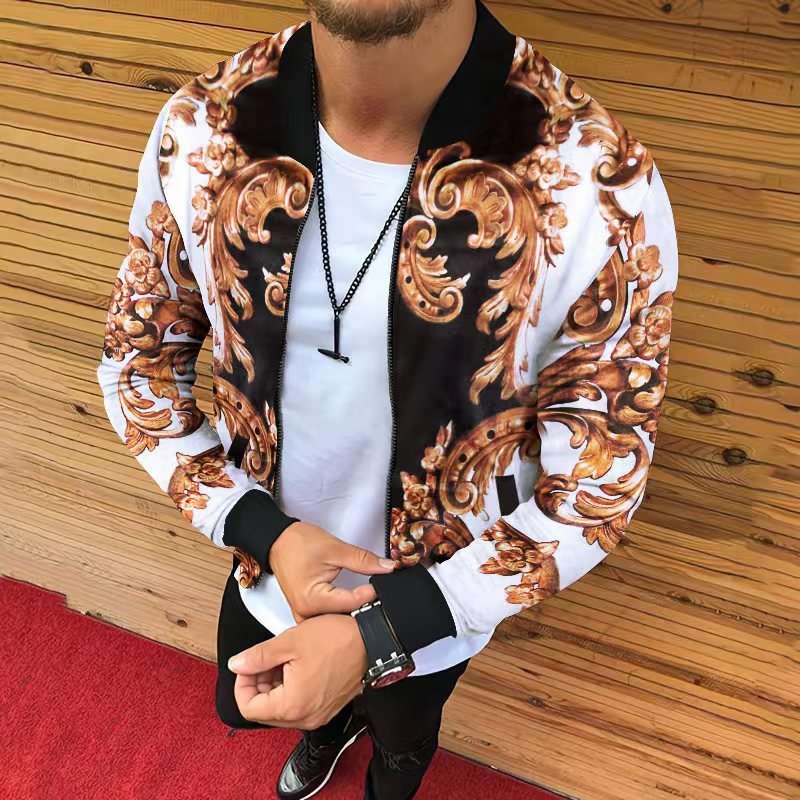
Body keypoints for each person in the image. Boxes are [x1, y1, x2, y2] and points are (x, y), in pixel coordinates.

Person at [95, 0, 680, 798]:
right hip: (265, 570)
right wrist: (262, 531)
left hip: (442, 603)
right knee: (274, 707)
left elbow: (600, 481)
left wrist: (384, 633)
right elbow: (136, 369)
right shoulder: (202, 128)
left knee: (405, 744)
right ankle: (326, 734)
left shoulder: (598, 181)